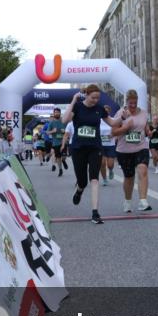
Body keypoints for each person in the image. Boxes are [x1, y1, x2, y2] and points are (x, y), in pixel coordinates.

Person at [63, 84, 122, 224]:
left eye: (98, 98)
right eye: (93, 97)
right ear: (87, 95)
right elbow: (64, 120)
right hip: (78, 148)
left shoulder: (99, 109)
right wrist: (73, 100)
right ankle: (79, 190)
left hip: (95, 148)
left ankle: (95, 213)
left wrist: (122, 116)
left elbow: (113, 123)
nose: (96, 100)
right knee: (82, 181)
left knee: (94, 179)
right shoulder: (77, 107)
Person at [111, 89, 153, 213]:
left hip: (141, 147)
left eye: (135, 103)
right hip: (124, 150)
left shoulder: (144, 113)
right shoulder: (120, 114)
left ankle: (143, 201)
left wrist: (148, 132)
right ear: (126, 102)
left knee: (143, 170)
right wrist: (125, 128)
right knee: (129, 177)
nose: (133, 106)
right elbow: (113, 132)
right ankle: (127, 201)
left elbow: (145, 127)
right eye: (131, 103)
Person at [43, 108, 68, 177]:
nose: (56, 113)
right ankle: (60, 169)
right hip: (56, 143)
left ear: (60, 113)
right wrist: (52, 131)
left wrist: (65, 131)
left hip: (63, 142)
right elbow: (47, 132)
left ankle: (64, 160)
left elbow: (69, 130)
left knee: (64, 156)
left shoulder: (64, 121)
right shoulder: (51, 123)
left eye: (58, 112)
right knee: (58, 157)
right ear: (54, 113)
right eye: (55, 112)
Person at [99, 106, 117, 186]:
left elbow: (117, 131)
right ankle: (104, 179)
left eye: (107, 111)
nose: (105, 112)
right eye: (104, 110)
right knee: (102, 163)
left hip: (110, 145)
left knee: (110, 164)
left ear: (109, 112)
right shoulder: (98, 120)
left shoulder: (112, 120)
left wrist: (114, 135)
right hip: (100, 145)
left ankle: (110, 170)